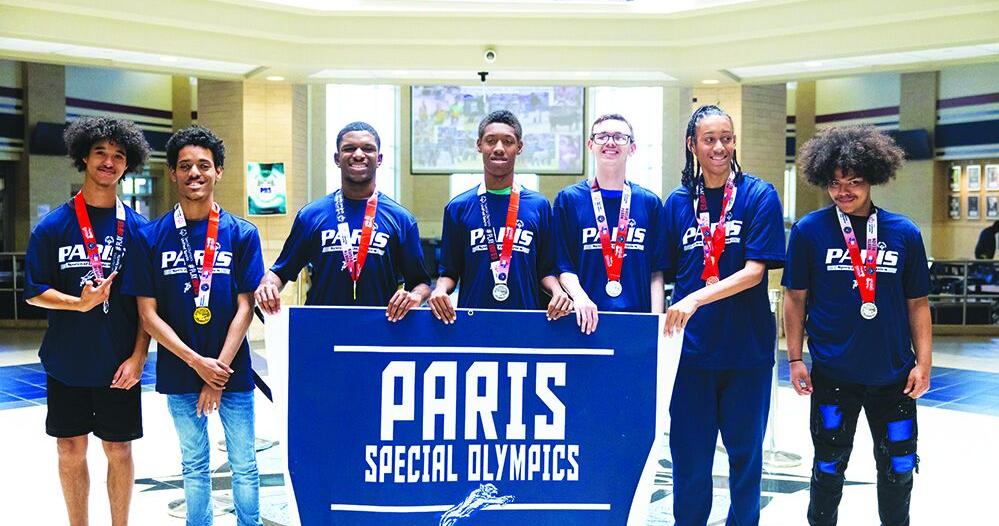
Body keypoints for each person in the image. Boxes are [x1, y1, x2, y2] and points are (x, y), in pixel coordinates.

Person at [784, 125, 931, 526]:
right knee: (828, 466)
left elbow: (918, 304)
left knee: (900, 467)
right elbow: (795, 298)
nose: (843, 191)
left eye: (854, 181)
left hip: (895, 378)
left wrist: (924, 364)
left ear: (873, 178)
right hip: (834, 376)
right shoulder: (809, 231)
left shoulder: (904, 233)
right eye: (834, 183)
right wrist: (795, 359)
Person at [122, 125, 264, 526]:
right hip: (180, 368)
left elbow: (246, 308)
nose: (194, 173)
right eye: (185, 166)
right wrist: (197, 363)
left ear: (218, 171)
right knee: (194, 464)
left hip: (232, 370)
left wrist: (216, 372)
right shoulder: (150, 237)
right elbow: (148, 315)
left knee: (244, 463)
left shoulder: (241, 234)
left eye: (204, 165)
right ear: (172, 173)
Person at [660, 105, 786, 525]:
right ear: (692, 145)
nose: (719, 147)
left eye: (726, 138)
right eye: (709, 139)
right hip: (691, 357)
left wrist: (694, 299)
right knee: (689, 461)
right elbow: (663, 272)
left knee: (746, 461)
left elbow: (754, 272)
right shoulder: (677, 203)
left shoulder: (759, 195)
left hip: (746, 353)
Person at [25, 116, 151, 526]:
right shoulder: (52, 227)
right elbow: (34, 289)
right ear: (84, 156)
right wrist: (77, 304)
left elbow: (145, 305)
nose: (109, 162)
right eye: (101, 152)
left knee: (119, 450)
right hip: (67, 361)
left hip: (119, 365)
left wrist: (138, 357)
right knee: (70, 449)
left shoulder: (138, 229)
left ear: (127, 164)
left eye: (118, 155)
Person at [255, 122, 431, 318]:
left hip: (381, 328)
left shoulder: (401, 220)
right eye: (349, 148)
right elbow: (280, 272)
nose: (358, 154)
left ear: (379, 159)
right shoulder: (310, 216)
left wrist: (415, 296)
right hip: (321, 328)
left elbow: (421, 283)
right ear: (337, 159)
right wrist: (267, 286)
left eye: (368, 148)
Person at [428, 110, 572, 323]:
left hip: (526, 323)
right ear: (479, 145)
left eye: (508, 141)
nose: (498, 148)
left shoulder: (539, 206)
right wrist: (439, 290)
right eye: (490, 141)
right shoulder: (458, 207)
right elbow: (449, 272)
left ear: (519, 147)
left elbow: (546, 270)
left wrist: (558, 292)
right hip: (473, 323)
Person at [554, 113, 665, 334]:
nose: (610, 142)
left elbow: (656, 273)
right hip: (583, 322)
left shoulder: (649, 202)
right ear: (590, 145)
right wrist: (580, 297)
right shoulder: (569, 200)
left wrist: (655, 324)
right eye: (602, 136)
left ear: (632, 148)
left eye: (620, 137)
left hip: (637, 325)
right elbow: (563, 266)